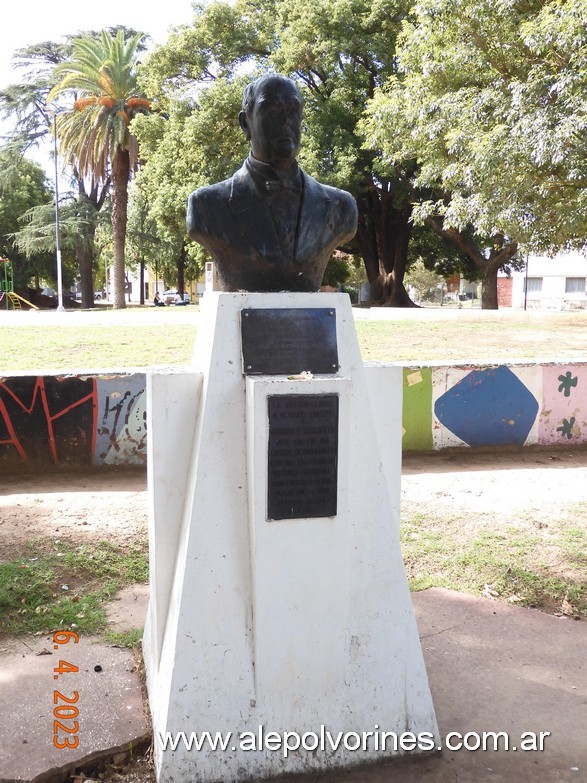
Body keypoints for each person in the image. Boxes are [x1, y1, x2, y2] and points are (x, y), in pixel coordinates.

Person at [186, 74, 358, 292]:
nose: (285, 121)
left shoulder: (341, 207)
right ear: (245, 124)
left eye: (293, 111)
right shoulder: (206, 206)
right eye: (271, 110)